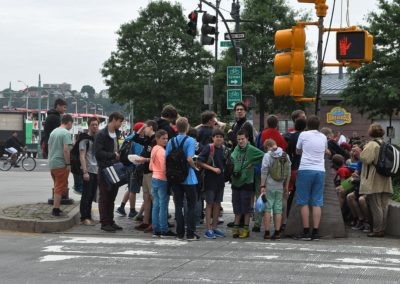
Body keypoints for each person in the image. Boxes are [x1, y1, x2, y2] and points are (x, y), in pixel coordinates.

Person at [165, 117, 199, 241]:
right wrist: (195, 168)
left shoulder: (171, 141)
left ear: (177, 127)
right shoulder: (190, 140)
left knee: (178, 205)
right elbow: (190, 158)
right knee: (191, 205)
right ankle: (190, 233)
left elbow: (167, 157)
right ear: (187, 127)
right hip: (188, 177)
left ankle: (179, 233)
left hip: (175, 178)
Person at [295, 115, 327, 241]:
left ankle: (306, 231)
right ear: (318, 125)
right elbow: (325, 151)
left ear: (307, 125)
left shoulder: (303, 135)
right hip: (320, 170)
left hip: (305, 169)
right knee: (317, 202)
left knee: (303, 201)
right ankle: (316, 232)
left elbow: (298, 150)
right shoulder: (323, 136)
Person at [359, 123, 393, 237]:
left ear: (371, 133)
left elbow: (366, 159)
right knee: (384, 205)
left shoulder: (372, 145)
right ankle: (382, 229)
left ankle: (377, 230)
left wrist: (360, 153)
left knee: (376, 205)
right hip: (386, 178)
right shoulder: (385, 144)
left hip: (374, 178)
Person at [230, 129, 264, 239]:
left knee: (246, 207)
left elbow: (264, 156)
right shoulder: (236, 148)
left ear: (247, 139)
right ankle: (236, 227)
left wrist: (253, 163)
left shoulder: (252, 149)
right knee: (236, 205)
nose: (240, 141)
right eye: (238, 139)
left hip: (246, 182)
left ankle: (245, 228)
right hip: (235, 181)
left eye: (242, 139)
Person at [94, 112, 124, 232]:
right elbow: (98, 153)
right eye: (120, 121)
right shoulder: (101, 134)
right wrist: (113, 155)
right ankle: (104, 222)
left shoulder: (117, 133)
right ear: (113, 120)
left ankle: (110, 220)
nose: (121, 124)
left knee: (112, 196)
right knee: (104, 196)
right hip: (105, 169)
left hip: (115, 168)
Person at [197, 128, 226, 239]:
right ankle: (208, 229)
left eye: (221, 137)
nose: (219, 138)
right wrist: (212, 169)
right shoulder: (209, 148)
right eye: (216, 136)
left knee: (217, 203)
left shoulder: (223, 149)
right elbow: (199, 161)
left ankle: (214, 227)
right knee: (209, 204)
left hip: (220, 180)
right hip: (209, 180)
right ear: (213, 138)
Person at [260, 139, 291, 240]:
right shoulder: (285, 155)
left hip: (269, 185)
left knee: (268, 208)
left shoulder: (267, 155)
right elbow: (288, 172)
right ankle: (277, 232)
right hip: (280, 186)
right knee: (278, 209)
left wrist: (262, 185)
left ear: (267, 146)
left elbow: (264, 171)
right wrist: (286, 186)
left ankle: (267, 232)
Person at [132, 120, 158, 233]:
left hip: (151, 171)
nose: (144, 130)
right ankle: (146, 221)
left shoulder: (155, 140)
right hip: (145, 171)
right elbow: (135, 138)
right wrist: (141, 128)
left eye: (146, 127)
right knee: (146, 197)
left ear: (151, 127)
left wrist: (144, 159)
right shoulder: (148, 139)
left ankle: (154, 222)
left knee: (153, 197)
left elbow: (155, 158)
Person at [150, 129, 176, 238]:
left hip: (154, 177)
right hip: (162, 179)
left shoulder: (154, 149)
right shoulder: (162, 151)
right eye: (163, 138)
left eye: (166, 138)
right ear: (157, 139)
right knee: (163, 205)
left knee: (156, 205)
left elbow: (150, 166)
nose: (166, 140)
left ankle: (156, 229)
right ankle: (164, 229)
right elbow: (164, 167)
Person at [116, 122, 144, 218]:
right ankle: (132, 211)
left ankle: (122, 207)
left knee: (130, 187)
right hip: (134, 167)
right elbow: (138, 154)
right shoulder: (138, 140)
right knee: (133, 190)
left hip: (126, 166)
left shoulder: (128, 138)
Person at [48, 114, 73, 217]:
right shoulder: (66, 133)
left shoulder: (53, 132)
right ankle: (56, 209)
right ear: (69, 122)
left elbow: (49, 146)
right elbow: (66, 150)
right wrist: (68, 164)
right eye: (72, 123)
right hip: (61, 163)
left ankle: (57, 207)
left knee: (58, 185)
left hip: (52, 163)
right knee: (59, 186)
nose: (71, 126)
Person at [79, 117, 100, 226]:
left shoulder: (97, 139)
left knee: (91, 195)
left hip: (96, 170)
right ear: (88, 126)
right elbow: (82, 156)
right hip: (88, 171)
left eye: (96, 124)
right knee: (86, 195)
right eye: (92, 124)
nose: (95, 126)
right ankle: (84, 217)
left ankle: (89, 216)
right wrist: (85, 172)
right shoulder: (84, 139)